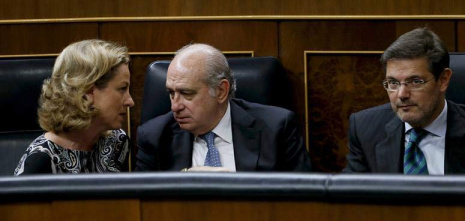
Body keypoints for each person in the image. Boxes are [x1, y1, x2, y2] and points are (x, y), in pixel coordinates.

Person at [136, 43, 311, 172]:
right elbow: (141, 205)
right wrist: (185, 179)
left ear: (221, 91)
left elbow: (305, 199)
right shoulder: (154, 137)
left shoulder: (277, 128)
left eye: (187, 93)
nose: (175, 106)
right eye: (171, 93)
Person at [344, 27, 465, 174]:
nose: (402, 94)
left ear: (443, 80)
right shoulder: (365, 129)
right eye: (393, 83)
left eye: (415, 81)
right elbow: (353, 194)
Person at [14, 39, 134, 175]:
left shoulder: (116, 142)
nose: (130, 101)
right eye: (122, 89)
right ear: (88, 93)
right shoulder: (41, 160)